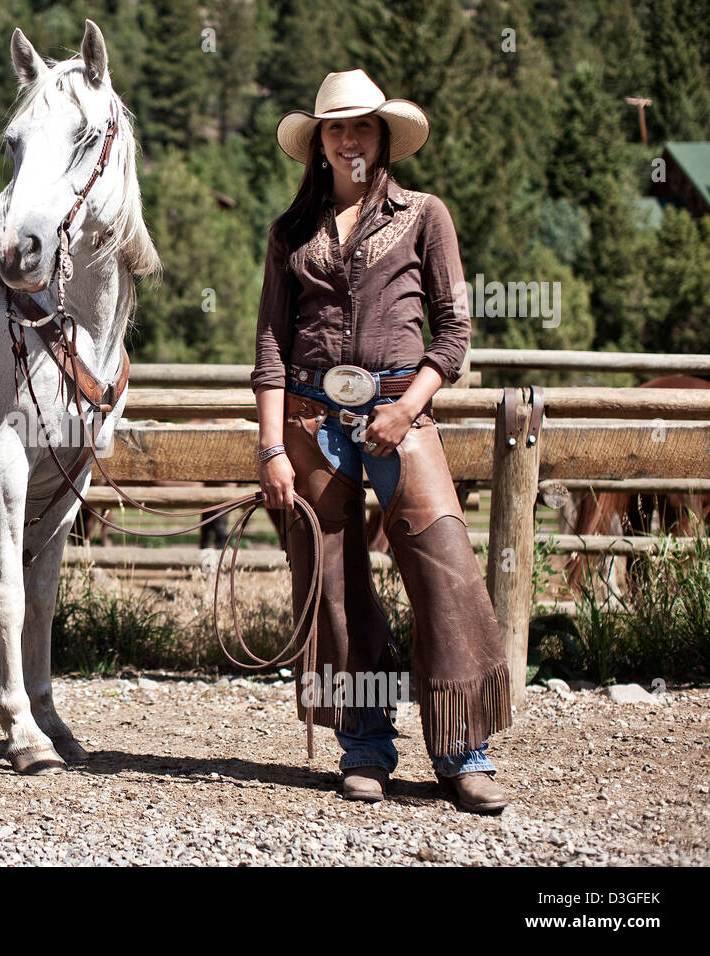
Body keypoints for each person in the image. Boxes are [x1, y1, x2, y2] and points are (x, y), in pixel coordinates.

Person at [252, 69, 512, 814]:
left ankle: (464, 752)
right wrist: (272, 450)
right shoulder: (290, 233)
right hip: (308, 421)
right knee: (331, 585)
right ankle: (364, 747)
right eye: (335, 128)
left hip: (402, 413)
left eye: (361, 126)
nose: (348, 138)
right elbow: (271, 346)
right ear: (319, 144)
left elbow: (454, 334)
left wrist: (405, 411)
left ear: (383, 136)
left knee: (446, 569)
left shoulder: (427, 216)